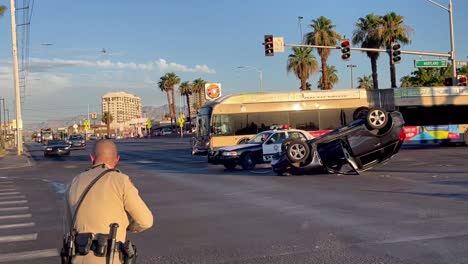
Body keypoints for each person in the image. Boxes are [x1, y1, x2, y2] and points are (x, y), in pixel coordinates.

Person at [63, 139, 153, 264]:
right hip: (109, 258)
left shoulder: (75, 182)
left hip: (77, 258)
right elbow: (146, 221)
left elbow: (70, 225)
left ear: (92, 157)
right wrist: (129, 227)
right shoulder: (120, 181)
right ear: (117, 159)